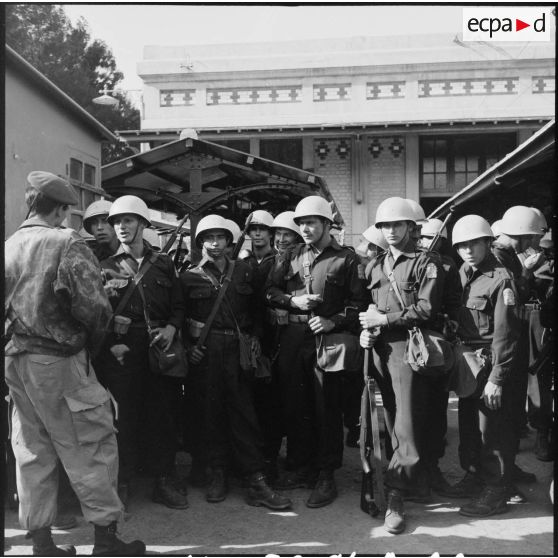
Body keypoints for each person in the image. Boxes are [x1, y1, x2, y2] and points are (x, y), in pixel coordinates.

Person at [5, 171, 144, 556]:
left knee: (32, 451)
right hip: (60, 361)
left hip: (17, 361)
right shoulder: (65, 243)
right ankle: (106, 541)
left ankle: (42, 544)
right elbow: (95, 309)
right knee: (92, 443)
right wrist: (91, 348)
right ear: (63, 209)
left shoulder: (9, 244)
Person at [180, 215, 292, 510]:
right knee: (210, 414)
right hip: (206, 353)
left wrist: (255, 336)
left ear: (230, 242)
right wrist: (189, 347)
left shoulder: (245, 272)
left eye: (220, 238)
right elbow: (179, 318)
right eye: (208, 238)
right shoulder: (189, 276)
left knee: (245, 414)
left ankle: (255, 479)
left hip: (238, 352)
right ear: (200, 242)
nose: (214, 244)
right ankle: (216, 473)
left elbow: (257, 309)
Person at [265, 195, 368, 507]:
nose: (306, 228)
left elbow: (360, 305)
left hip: (328, 340)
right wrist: (291, 301)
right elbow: (270, 291)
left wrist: (332, 320)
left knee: (326, 408)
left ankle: (326, 474)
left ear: (327, 224)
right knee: (295, 405)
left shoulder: (347, 259)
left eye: (311, 222)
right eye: (302, 223)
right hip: (295, 338)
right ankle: (302, 465)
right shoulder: (292, 255)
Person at [359, 197, 445, 534]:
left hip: (409, 350)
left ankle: (396, 494)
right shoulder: (375, 265)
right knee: (387, 422)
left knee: (406, 424)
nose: (390, 231)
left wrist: (385, 318)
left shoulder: (426, 263)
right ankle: (405, 481)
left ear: (412, 227)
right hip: (378, 350)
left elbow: (427, 309)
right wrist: (366, 330)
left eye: (397, 225)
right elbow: (364, 307)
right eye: (385, 226)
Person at [95, 195, 188, 511]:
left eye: (128, 220)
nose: (121, 227)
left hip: (158, 346)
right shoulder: (104, 267)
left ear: (143, 224)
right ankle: (122, 483)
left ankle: (163, 480)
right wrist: (111, 337)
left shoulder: (163, 263)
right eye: (117, 222)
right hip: (121, 352)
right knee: (124, 418)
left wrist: (172, 328)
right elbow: (94, 314)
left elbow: (178, 305)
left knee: (162, 416)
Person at [447, 215, 520, 517]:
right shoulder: (463, 272)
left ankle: (496, 490)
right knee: (469, 425)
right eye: (462, 245)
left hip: (490, 363)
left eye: (474, 243)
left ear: (487, 242)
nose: (468, 250)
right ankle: (474, 475)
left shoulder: (501, 279)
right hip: (467, 363)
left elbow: (507, 333)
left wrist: (497, 379)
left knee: (492, 430)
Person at [491, 206, 546, 489]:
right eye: (532, 237)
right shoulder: (498, 259)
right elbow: (512, 299)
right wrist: (526, 273)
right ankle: (500, 478)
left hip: (513, 343)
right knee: (502, 418)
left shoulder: (508, 256)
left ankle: (508, 469)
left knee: (512, 415)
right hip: (502, 345)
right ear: (523, 237)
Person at [418, 217, 462, 495]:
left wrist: (449, 323)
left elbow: (456, 304)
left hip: (435, 345)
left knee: (435, 409)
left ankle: (432, 469)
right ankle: (409, 472)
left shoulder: (447, 266)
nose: (426, 244)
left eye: (433, 239)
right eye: (422, 239)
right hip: (407, 343)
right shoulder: (408, 263)